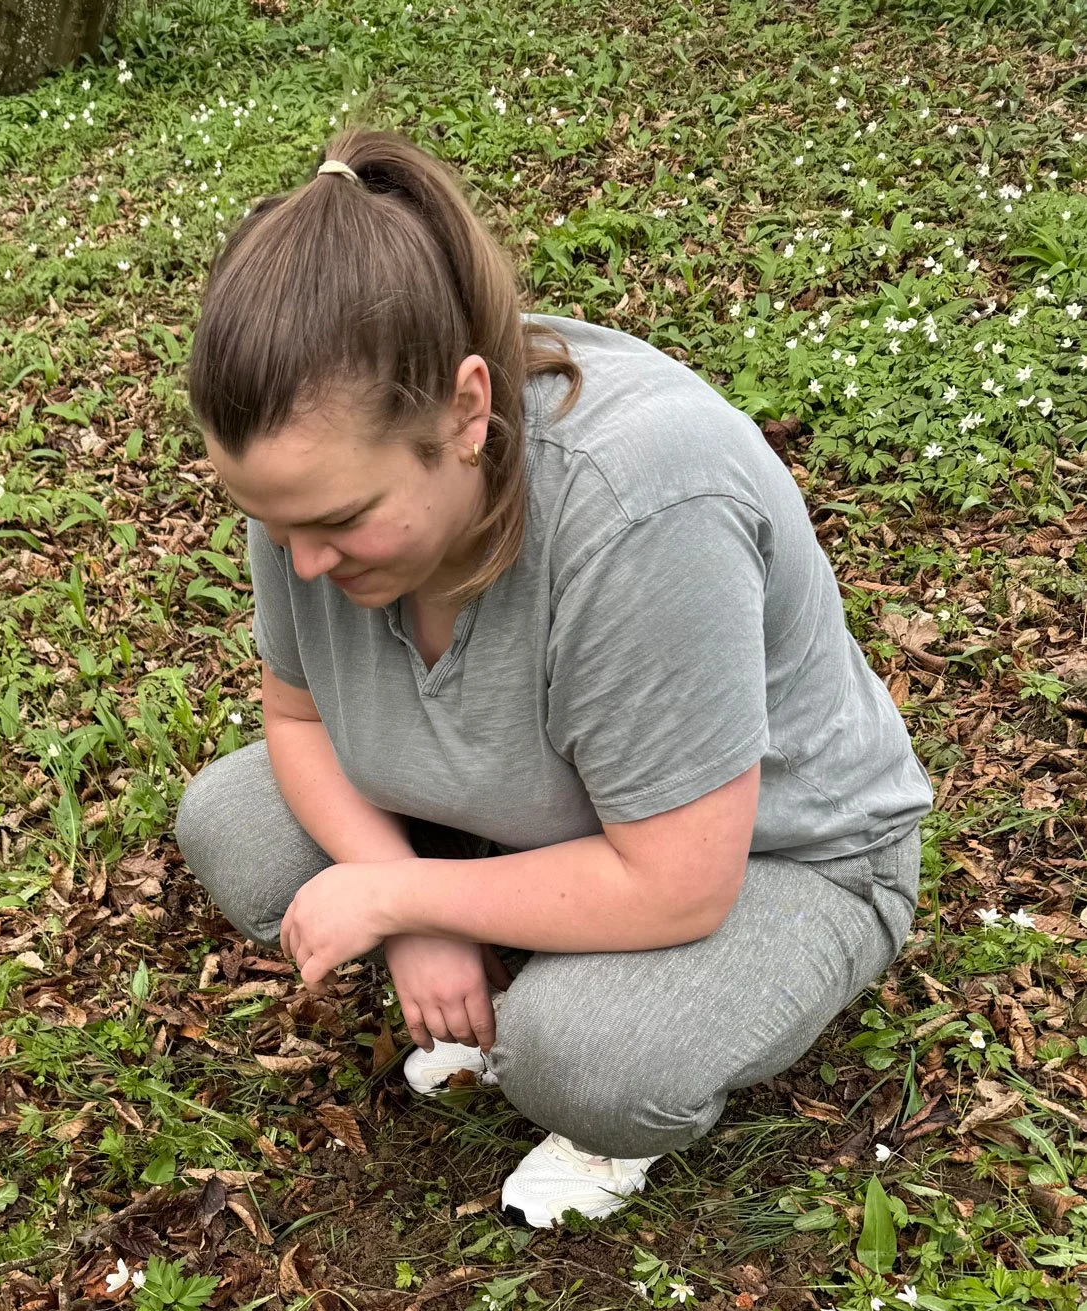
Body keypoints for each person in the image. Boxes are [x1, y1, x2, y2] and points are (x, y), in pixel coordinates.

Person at [173, 127, 933, 1227]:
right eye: (268, 520)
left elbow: (681, 878)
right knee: (237, 823)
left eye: (338, 522)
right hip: (542, 804)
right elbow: (292, 715)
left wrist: (394, 892)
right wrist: (417, 913)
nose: (302, 566)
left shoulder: (645, 506)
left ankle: (608, 1070)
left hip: (775, 854)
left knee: (583, 1056)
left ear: (467, 411)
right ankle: (507, 919)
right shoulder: (308, 483)